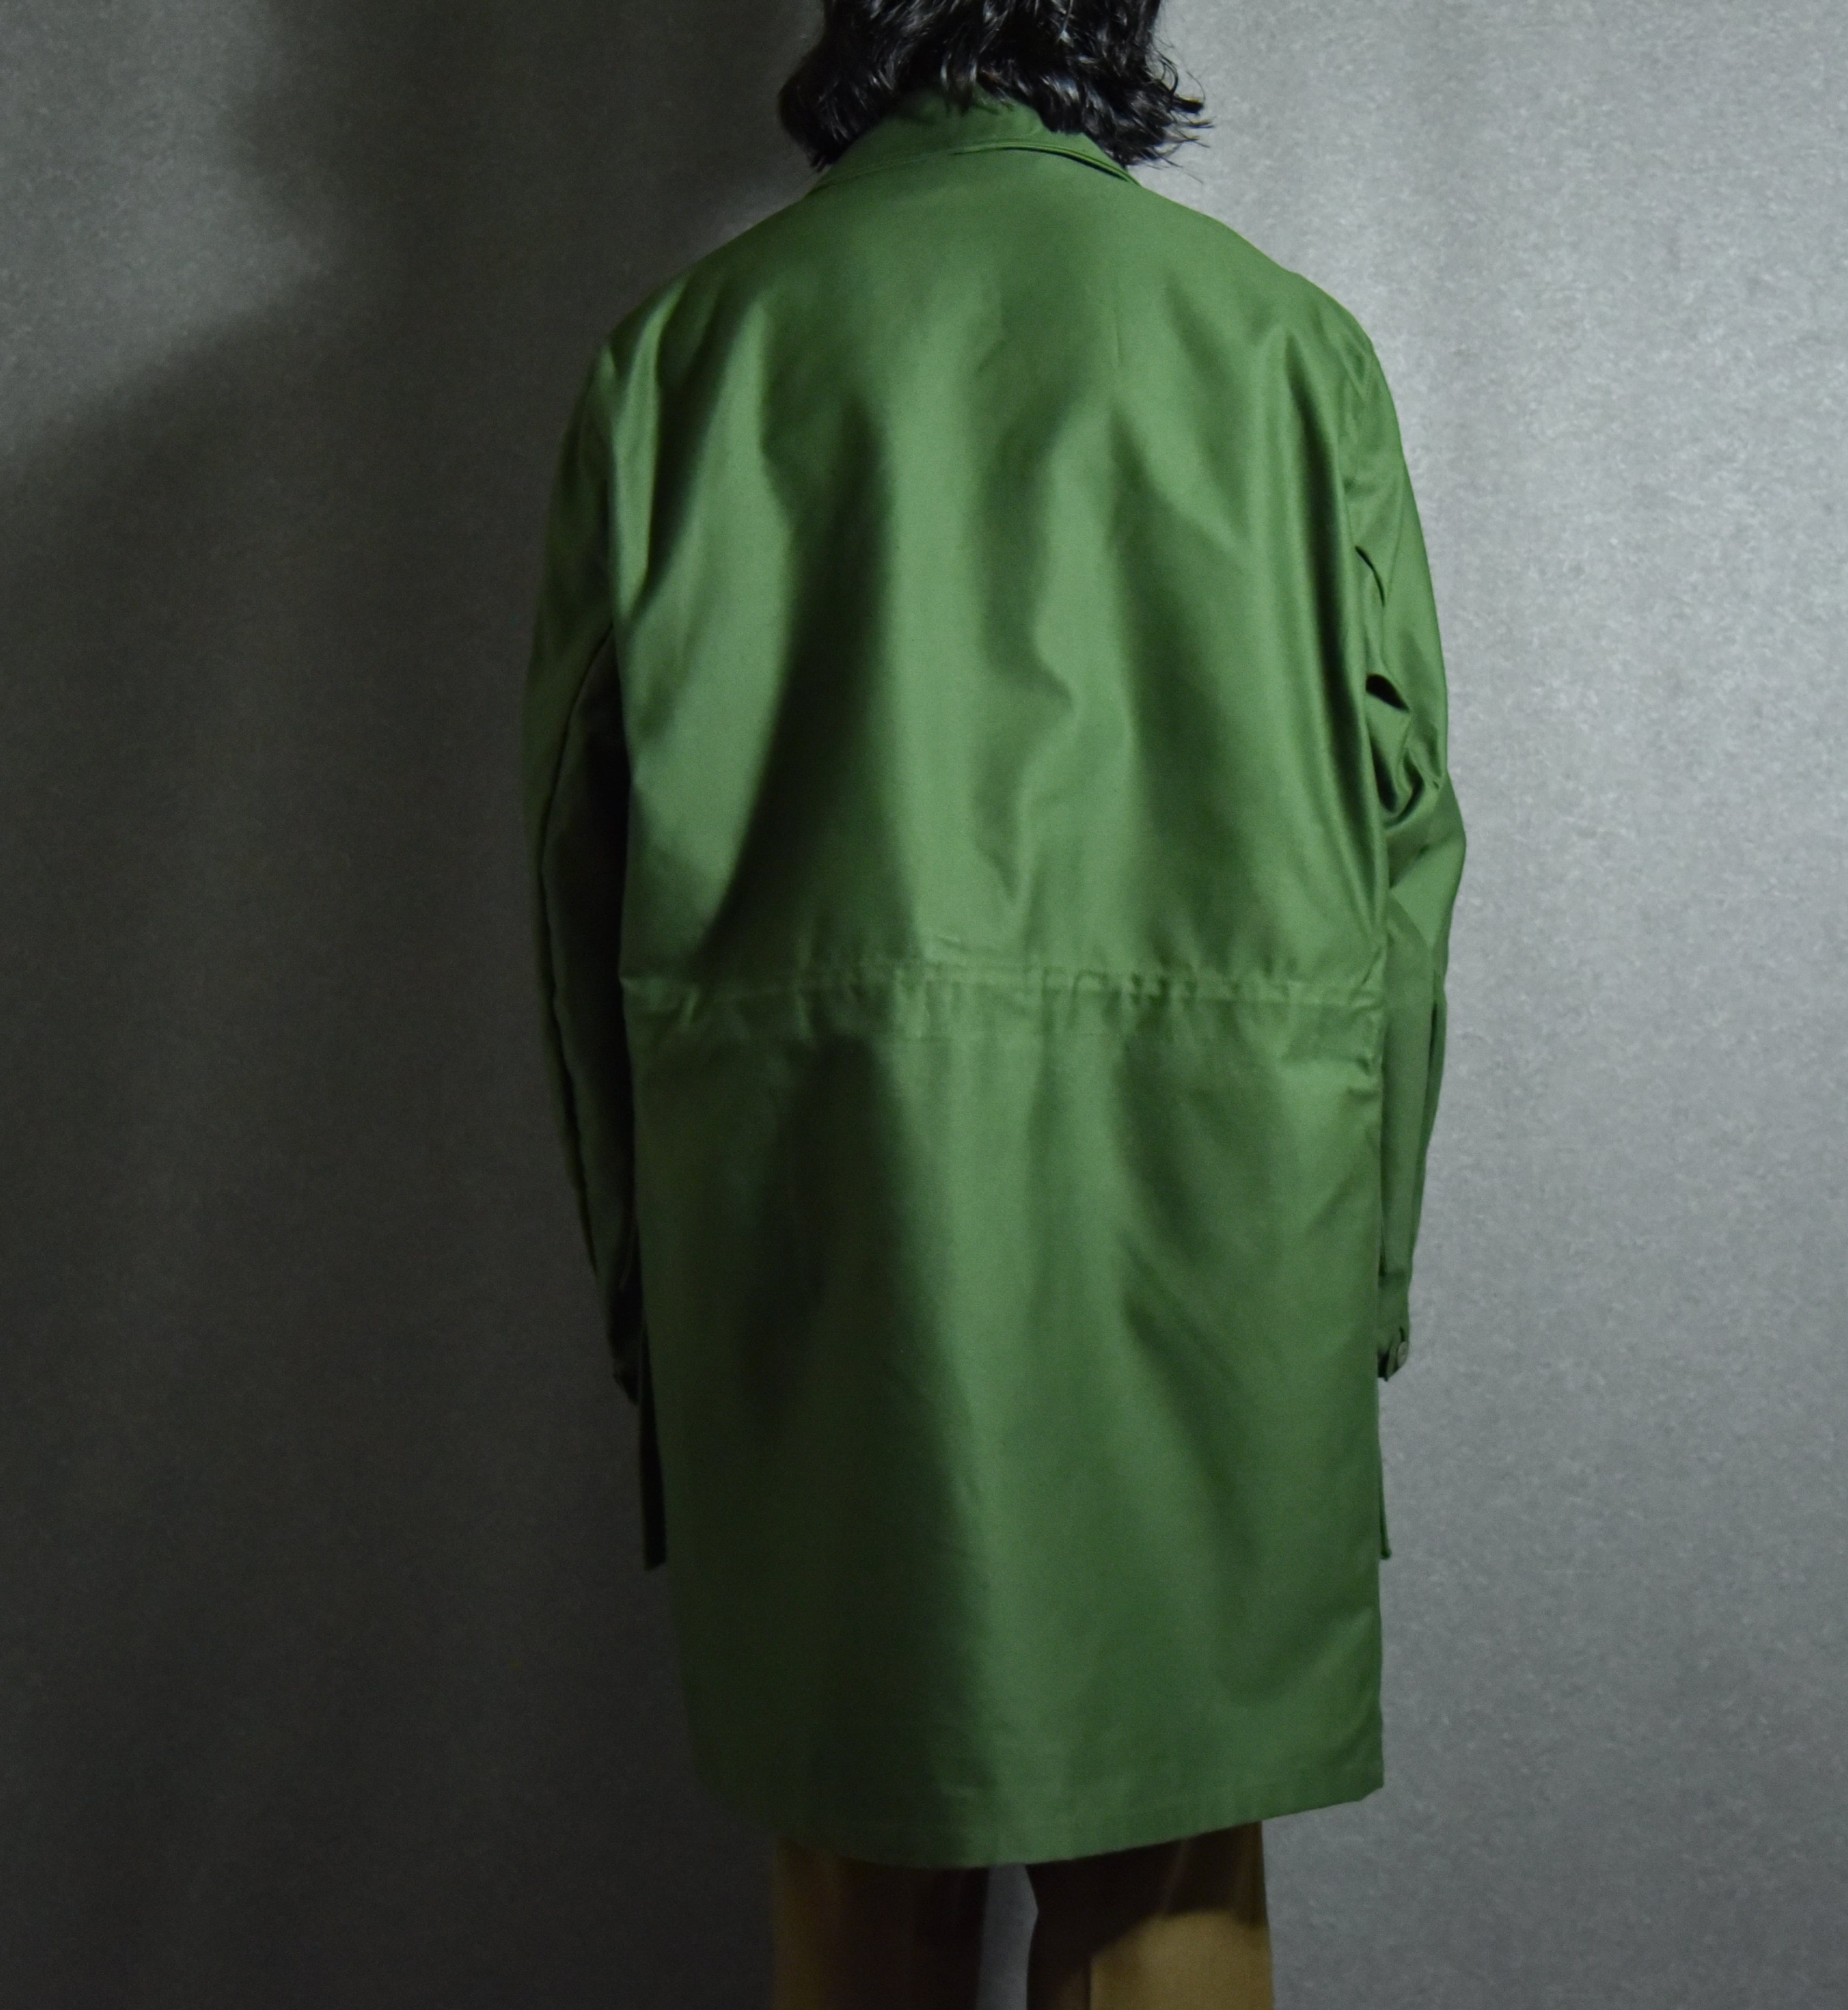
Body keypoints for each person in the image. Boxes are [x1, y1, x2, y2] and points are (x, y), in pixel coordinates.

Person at [522, 3, 1466, 2002]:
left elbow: (577, 884)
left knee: (856, 1888)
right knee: (1172, 1903)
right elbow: (1405, 867)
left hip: (826, 1259)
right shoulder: (1283, 352)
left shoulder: (688, 358)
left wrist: (652, 1306)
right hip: (1221, 1258)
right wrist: (1355, 1292)